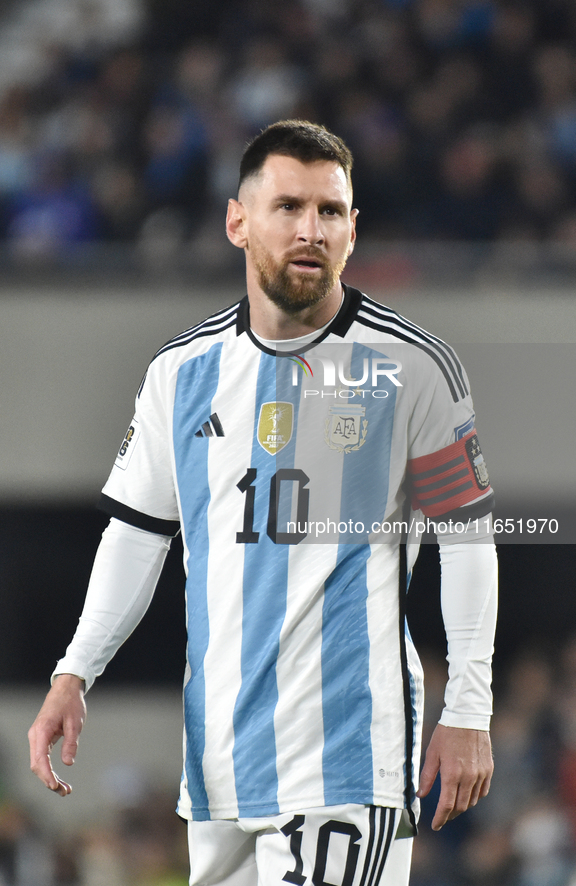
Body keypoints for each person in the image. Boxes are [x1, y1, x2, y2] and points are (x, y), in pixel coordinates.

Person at [29, 120, 497, 886]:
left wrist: (468, 708)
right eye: (288, 207)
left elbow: (469, 544)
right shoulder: (181, 374)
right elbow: (139, 535)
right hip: (219, 760)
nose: (311, 230)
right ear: (236, 221)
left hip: (347, 753)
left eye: (331, 211)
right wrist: (73, 671)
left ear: (352, 229)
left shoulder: (410, 366)